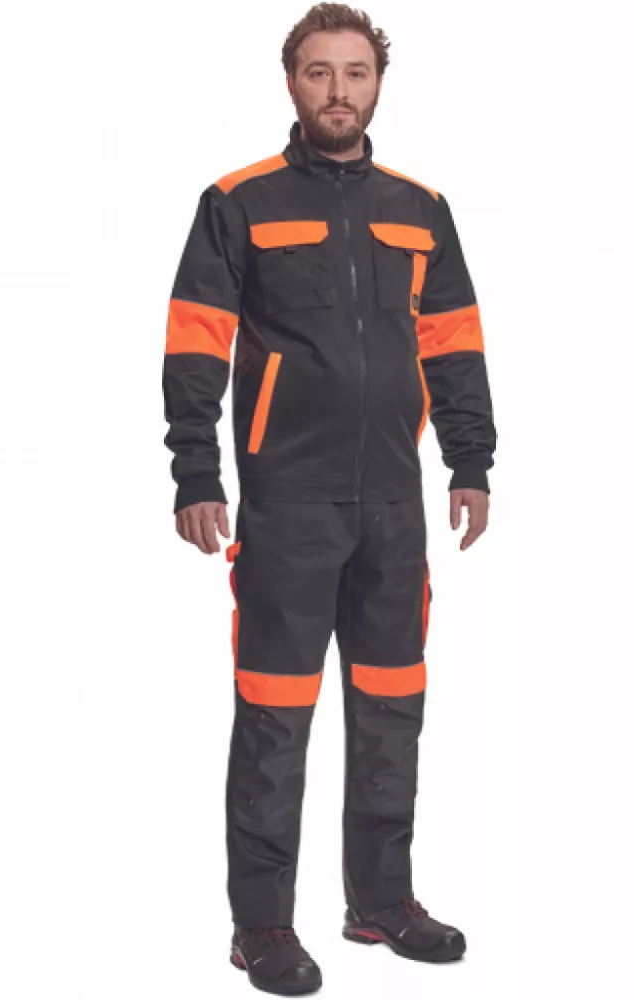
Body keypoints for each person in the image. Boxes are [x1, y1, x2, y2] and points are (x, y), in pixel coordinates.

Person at [162, 4, 497, 994]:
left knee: (392, 711)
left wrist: (470, 462)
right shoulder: (238, 201)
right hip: (288, 506)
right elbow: (195, 343)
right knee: (275, 717)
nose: (338, 90)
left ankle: (380, 902)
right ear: (291, 83)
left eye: (355, 72)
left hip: (393, 504)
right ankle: (261, 925)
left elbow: (454, 343)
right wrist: (196, 473)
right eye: (319, 72)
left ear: (378, 83)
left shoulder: (420, 209)